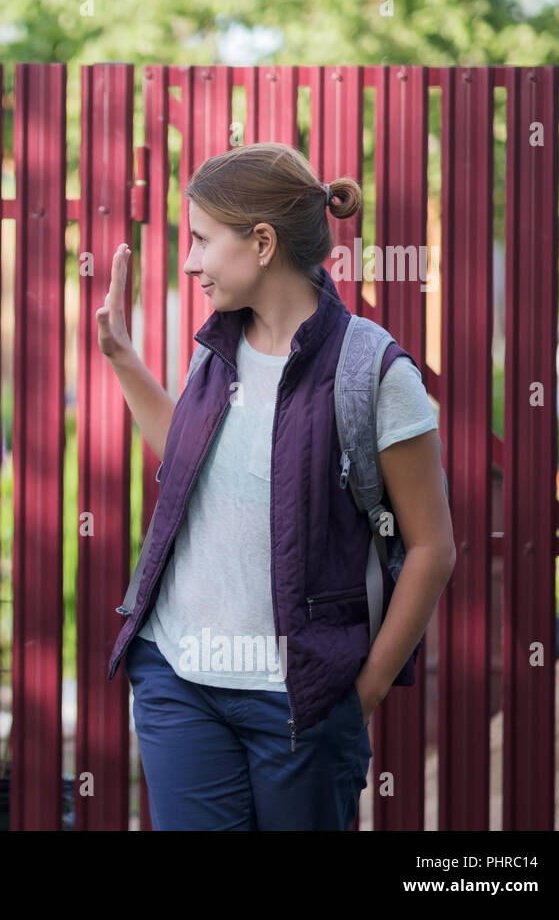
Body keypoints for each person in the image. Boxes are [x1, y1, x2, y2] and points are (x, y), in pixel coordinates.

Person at [96, 142, 455, 830]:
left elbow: (432, 547)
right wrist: (122, 359)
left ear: (261, 242)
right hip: (179, 681)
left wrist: (364, 689)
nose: (190, 262)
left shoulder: (373, 372)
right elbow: (192, 464)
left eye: (202, 240)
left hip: (299, 703)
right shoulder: (219, 346)